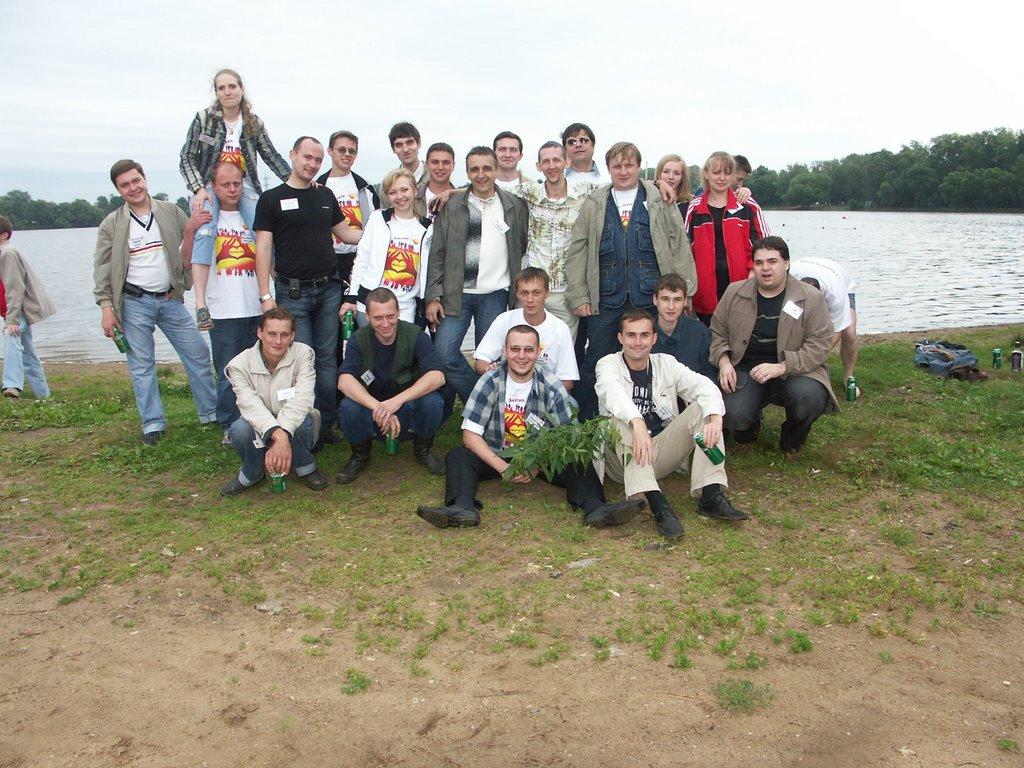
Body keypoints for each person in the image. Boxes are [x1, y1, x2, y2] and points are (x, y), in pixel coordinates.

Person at [415, 324, 645, 529]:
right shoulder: (489, 381)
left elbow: (568, 436)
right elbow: (470, 435)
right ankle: (461, 508)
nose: (521, 356)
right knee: (458, 456)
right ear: (505, 351)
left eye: (528, 349)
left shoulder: (551, 385)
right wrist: (503, 468)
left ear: (538, 352)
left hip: (542, 458)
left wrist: (536, 465)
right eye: (515, 349)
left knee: (577, 457)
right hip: (497, 454)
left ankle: (595, 508)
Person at [564, 141, 696, 419]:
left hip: (649, 297)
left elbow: (678, 244)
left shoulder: (659, 198)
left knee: (653, 361)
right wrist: (579, 295)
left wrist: (687, 290)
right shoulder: (595, 202)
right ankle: (589, 422)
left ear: (639, 166)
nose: (623, 171)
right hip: (605, 298)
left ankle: (655, 420)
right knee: (596, 362)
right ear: (608, 168)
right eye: (617, 166)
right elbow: (578, 248)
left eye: (629, 165)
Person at [94, 159, 217, 444]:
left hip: (170, 299)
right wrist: (106, 308)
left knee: (198, 352)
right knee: (141, 364)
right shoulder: (112, 224)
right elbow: (102, 268)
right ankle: (152, 423)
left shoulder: (170, 211)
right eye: (125, 185)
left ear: (144, 179)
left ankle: (210, 413)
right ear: (118, 190)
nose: (133, 188)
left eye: (136, 180)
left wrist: (186, 283)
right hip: (133, 302)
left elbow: (194, 244)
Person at [596, 309, 747, 539]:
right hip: (622, 460)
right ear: (620, 338)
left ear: (654, 338)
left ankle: (710, 494)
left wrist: (715, 417)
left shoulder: (666, 363)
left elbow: (704, 386)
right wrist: (637, 423)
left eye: (644, 335)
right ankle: (659, 506)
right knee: (622, 423)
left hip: (659, 450)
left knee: (702, 409)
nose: (638, 342)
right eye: (631, 335)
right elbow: (614, 395)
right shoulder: (607, 364)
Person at [253, 136, 361, 445]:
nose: (312, 164)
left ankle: (326, 426)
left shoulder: (324, 194)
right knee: (302, 362)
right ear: (293, 155)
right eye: (307, 158)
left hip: (328, 290)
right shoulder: (271, 199)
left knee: (328, 361)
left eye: (317, 160)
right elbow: (263, 249)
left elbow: (345, 233)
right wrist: (265, 296)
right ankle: (302, 425)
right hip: (292, 294)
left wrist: (385, 230)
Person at [710, 236, 838, 459]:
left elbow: (820, 344)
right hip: (746, 368)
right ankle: (747, 432)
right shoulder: (734, 292)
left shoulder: (811, 297)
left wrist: (782, 367)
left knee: (809, 399)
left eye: (772, 261)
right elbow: (717, 333)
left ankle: (792, 441)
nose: (765, 268)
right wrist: (724, 362)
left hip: (795, 370)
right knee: (732, 412)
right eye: (759, 263)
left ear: (786, 263)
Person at [424, 146, 529, 403]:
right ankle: (480, 402)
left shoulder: (514, 205)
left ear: (496, 170)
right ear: (467, 172)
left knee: (489, 359)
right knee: (444, 355)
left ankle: (489, 413)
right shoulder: (451, 205)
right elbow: (437, 253)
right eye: (474, 169)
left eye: (486, 168)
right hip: (455, 294)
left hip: (495, 294)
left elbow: (521, 244)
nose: (481, 175)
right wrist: (433, 296)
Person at [181, 161, 262, 442]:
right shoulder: (207, 219)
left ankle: (256, 420)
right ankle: (228, 424)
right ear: (213, 187)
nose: (232, 189)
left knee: (257, 370)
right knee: (228, 370)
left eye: (237, 184)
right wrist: (190, 229)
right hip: (224, 310)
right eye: (225, 184)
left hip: (255, 306)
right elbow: (187, 261)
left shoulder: (252, 217)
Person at [336, 288, 446, 483]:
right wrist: (379, 407)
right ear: (367, 316)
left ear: (398, 312)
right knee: (348, 406)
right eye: (378, 318)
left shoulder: (416, 335)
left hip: (406, 409)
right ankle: (360, 455)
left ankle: (423, 449)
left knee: (432, 401)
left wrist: (396, 402)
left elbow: (438, 376)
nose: (386, 324)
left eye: (390, 316)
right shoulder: (357, 340)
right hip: (372, 413)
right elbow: (344, 381)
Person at [220, 307, 328, 495]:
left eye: (284, 335)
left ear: (292, 336)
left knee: (303, 423)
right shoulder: (238, 365)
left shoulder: (304, 354)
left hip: (294, 419)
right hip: (260, 421)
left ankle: (304, 466)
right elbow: (249, 404)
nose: (278, 341)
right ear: (259, 333)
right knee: (239, 430)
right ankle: (252, 472)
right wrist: (277, 434)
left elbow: (303, 398)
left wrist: (283, 432)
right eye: (272, 334)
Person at [179, 68, 290, 222]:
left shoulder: (254, 122)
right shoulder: (203, 119)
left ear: (241, 88)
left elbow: (271, 156)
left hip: (244, 186)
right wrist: (198, 188)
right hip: (208, 186)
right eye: (221, 88)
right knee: (205, 228)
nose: (227, 92)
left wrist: (294, 180)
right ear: (216, 92)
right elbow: (186, 157)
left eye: (232, 86)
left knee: (261, 226)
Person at [685, 152, 770, 325]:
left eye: (727, 173)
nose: (722, 178)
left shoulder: (748, 206)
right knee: (708, 339)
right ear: (706, 174)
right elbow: (684, 251)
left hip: (743, 290)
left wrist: (752, 273)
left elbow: (766, 246)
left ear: (733, 176)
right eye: (716, 173)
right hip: (704, 295)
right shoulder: (694, 208)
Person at [347, 169, 432, 325]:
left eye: (404, 189)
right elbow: (362, 260)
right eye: (392, 192)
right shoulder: (377, 218)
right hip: (370, 304)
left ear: (415, 190)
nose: (399, 196)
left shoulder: (428, 228)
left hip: (405, 309)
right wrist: (352, 297)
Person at [473, 267, 578, 389]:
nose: (530, 299)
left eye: (536, 293)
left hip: (545, 392)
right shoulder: (504, 320)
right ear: (517, 294)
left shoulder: (560, 328)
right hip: (508, 389)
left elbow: (567, 381)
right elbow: (480, 362)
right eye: (524, 293)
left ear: (546, 293)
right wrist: (490, 370)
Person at [316, 129, 381, 306]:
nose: (347, 154)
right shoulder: (318, 187)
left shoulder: (366, 189)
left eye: (352, 151)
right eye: (342, 150)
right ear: (330, 151)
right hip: (328, 261)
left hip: (358, 258)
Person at [1, 215, 55, 399]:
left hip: (18, 310)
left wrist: (12, 320)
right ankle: (44, 396)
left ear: (4, 235)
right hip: (11, 310)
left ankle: (12, 384)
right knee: (28, 353)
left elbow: (14, 287)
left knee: (11, 335)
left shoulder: (8, 253)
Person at [788, 256, 860, 390]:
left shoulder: (836, 295)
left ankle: (848, 376)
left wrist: (813, 355)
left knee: (849, 332)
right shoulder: (788, 280)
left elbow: (836, 331)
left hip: (840, 279)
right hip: (806, 267)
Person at [651, 273, 715, 379]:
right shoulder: (643, 334)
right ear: (655, 300)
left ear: (685, 301)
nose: (671, 306)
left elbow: (709, 374)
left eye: (677, 300)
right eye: (665, 299)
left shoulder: (700, 332)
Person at [416, 142, 457, 220]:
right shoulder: (412, 197)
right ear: (427, 165)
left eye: (446, 163)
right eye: (435, 162)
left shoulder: (463, 200)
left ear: (453, 166)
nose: (440, 167)